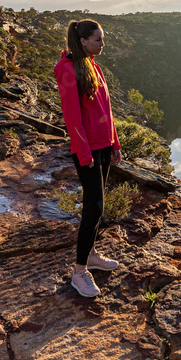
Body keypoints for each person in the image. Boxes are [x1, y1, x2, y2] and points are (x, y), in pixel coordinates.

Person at [55, 19, 122, 297]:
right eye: (98, 40)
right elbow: (72, 118)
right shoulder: (69, 70)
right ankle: (79, 271)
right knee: (93, 208)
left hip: (103, 146)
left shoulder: (94, 65)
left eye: (103, 39)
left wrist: (114, 142)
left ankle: (92, 255)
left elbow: (106, 108)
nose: (102, 44)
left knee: (99, 205)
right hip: (88, 151)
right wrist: (84, 154)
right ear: (83, 41)